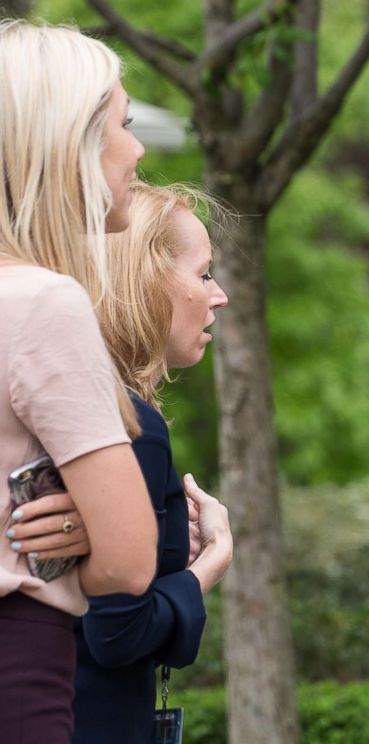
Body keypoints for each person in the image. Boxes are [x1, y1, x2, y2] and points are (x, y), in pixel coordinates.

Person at [0, 20, 158, 743]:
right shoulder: (42, 302)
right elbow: (129, 563)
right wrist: (79, 544)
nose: (139, 151)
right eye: (123, 125)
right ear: (70, 142)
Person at [61, 182, 233, 742]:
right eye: (204, 273)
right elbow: (118, 632)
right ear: (145, 278)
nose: (220, 294)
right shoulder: (132, 425)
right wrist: (208, 563)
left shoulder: (68, 403)